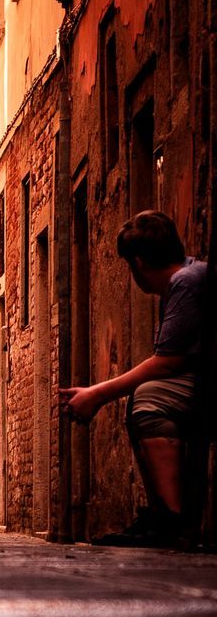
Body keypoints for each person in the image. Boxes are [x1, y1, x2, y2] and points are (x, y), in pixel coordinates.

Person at [59, 210, 208, 546]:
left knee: (150, 399)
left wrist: (97, 394)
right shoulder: (189, 276)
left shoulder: (184, 282)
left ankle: (172, 520)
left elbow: (168, 362)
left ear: (137, 263)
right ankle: (164, 513)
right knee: (146, 396)